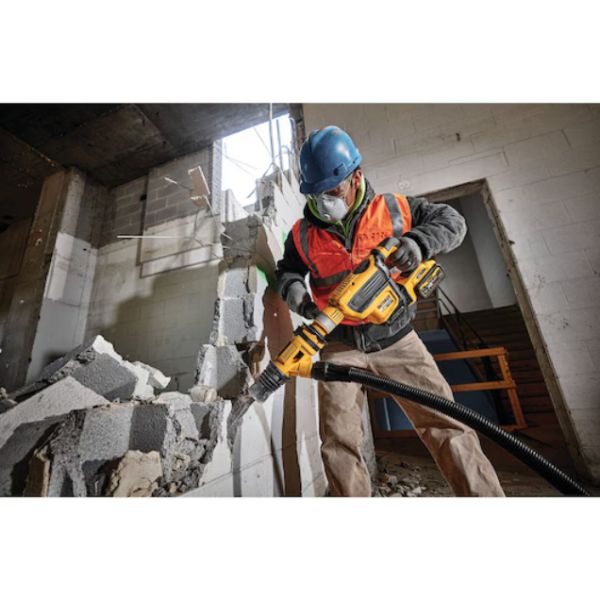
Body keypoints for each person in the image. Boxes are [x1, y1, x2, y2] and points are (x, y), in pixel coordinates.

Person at [275, 125, 505, 497]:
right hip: (339, 344)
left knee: (446, 424)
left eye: (332, 191)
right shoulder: (302, 233)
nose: (324, 201)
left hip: (397, 339)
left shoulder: (395, 209)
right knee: (338, 441)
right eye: (315, 194)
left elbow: (453, 222)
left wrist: (418, 242)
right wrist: (297, 294)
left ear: (356, 178)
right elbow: (286, 272)